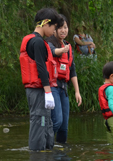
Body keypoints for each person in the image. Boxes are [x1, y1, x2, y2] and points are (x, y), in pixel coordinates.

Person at [19, 8, 61, 151]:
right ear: (45, 23)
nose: (54, 31)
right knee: (39, 120)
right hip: (38, 91)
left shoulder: (37, 41)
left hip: (40, 90)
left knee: (46, 121)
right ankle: (38, 159)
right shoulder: (36, 42)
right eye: (54, 27)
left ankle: (47, 155)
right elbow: (41, 67)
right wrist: (48, 92)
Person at [46, 14, 82, 145]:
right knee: (57, 121)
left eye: (65, 27)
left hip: (63, 88)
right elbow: (52, 52)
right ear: (54, 29)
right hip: (52, 87)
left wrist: (77, 92)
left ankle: (61, 152)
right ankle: (46, 144)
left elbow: (72, 70)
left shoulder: (68, 46)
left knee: (64, 126)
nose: (63, 30)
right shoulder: (48, 43)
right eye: (60, 27)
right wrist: (62, 50)